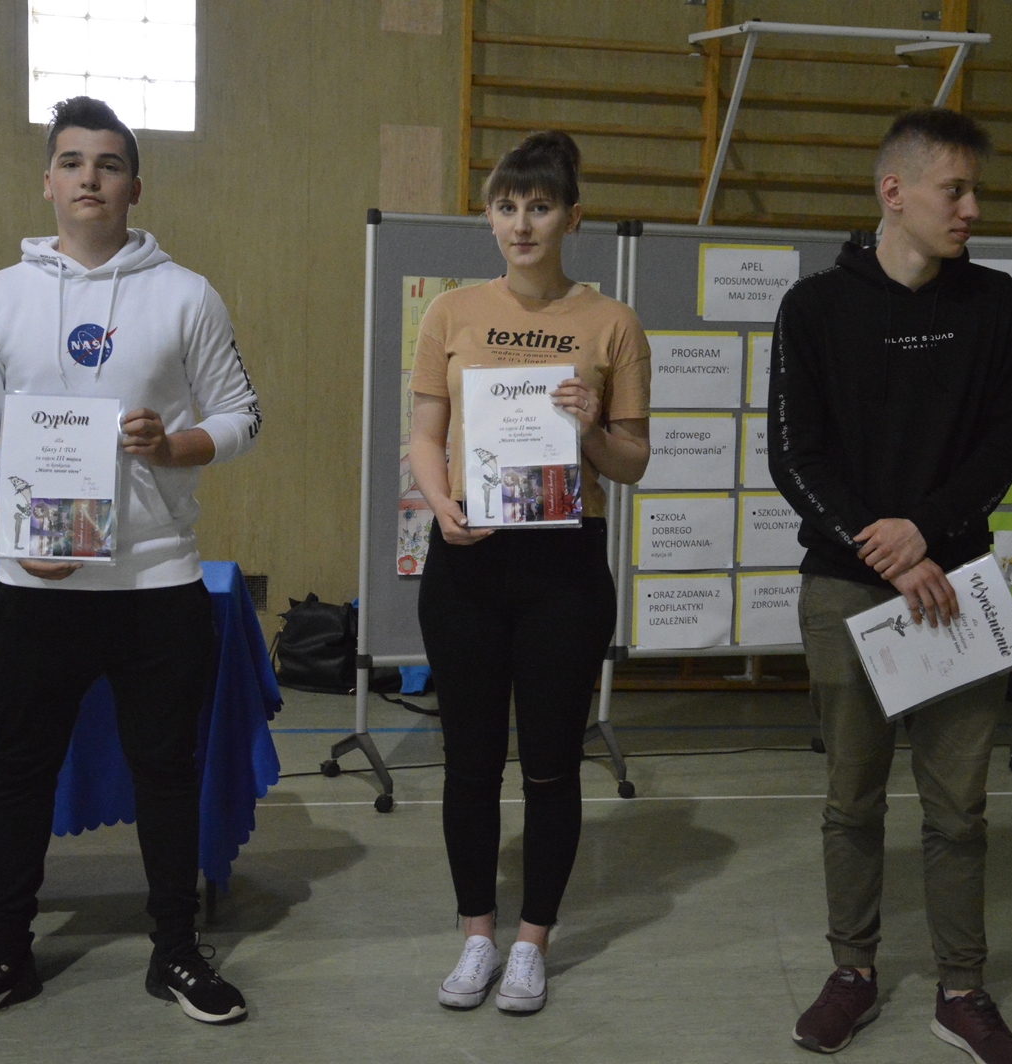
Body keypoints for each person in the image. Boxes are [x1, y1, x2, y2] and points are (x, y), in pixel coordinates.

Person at [0, 96, 262, 1034]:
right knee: (19, 772)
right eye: (72, 162)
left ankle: (176, 949)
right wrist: (8, 523)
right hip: (34, 588)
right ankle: (4, 953)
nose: (89, 179)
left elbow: (242, 416)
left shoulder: (186, 295)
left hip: (158, 581)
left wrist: (176, 445)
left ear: (135, 186)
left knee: (167, 772)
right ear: (47, 182)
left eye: (108, 164)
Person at [768, 108, 1012, 1064]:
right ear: (894, 192)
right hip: (847, 589)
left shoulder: (997, 303)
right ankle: (852, 973)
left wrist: (928, 531)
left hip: (957, 586)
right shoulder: (813, 308)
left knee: (959, 809)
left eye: (975, 191)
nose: (973, 209)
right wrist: (887, 549)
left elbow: (1001, 448)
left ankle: (962, 990)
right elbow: (794, 457)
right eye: (954, 190)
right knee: (852, 800)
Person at [407, 131, 650, 1015]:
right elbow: (425, 434)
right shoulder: (451, 312)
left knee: (549, 766)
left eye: (540, 207)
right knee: (470, 764)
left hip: (564, 568)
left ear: (571, 217)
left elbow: (632, 462)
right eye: (506, 206)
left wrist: (589, 432)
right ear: (488, 216)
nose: (522, 224)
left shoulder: (613, 323)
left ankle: (531, 943)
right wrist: (440, 504)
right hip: (468, 561)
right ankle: (478, 933)